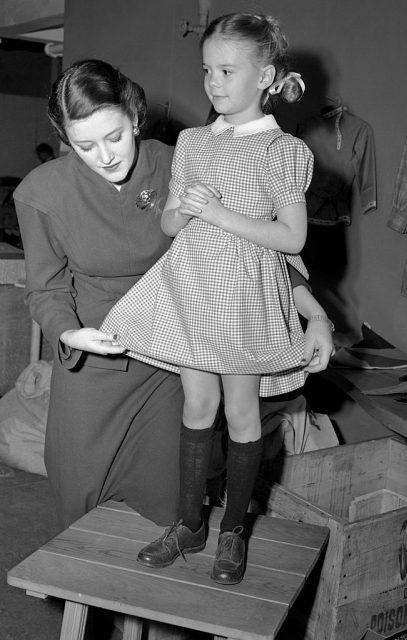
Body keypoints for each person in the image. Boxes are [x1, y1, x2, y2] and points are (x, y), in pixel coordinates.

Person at [14, 59, 335, 536]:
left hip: (175, 354)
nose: (104, 156)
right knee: (79, 515)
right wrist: (69, 333)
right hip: (94, 362)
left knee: (167, 511)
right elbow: (46, 288)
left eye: (114, 137)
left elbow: (250, 246)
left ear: (135, 117)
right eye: (84, 146)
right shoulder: (41, 193)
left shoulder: (180, 159)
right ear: (64, 138)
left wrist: (315, 314)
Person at [101, 13, 331, 585]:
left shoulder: (283, 151)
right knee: (196, 409)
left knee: (242, 415)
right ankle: (188, 524)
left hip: (245, 298)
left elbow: (293, 239)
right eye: (207, 70)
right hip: (193, 291)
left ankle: (232, 531)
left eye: (227, 70)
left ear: (266, 76)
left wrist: (221, 212)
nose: (214, 83)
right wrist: (182, 207)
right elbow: (174, 223)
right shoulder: (193, 141)